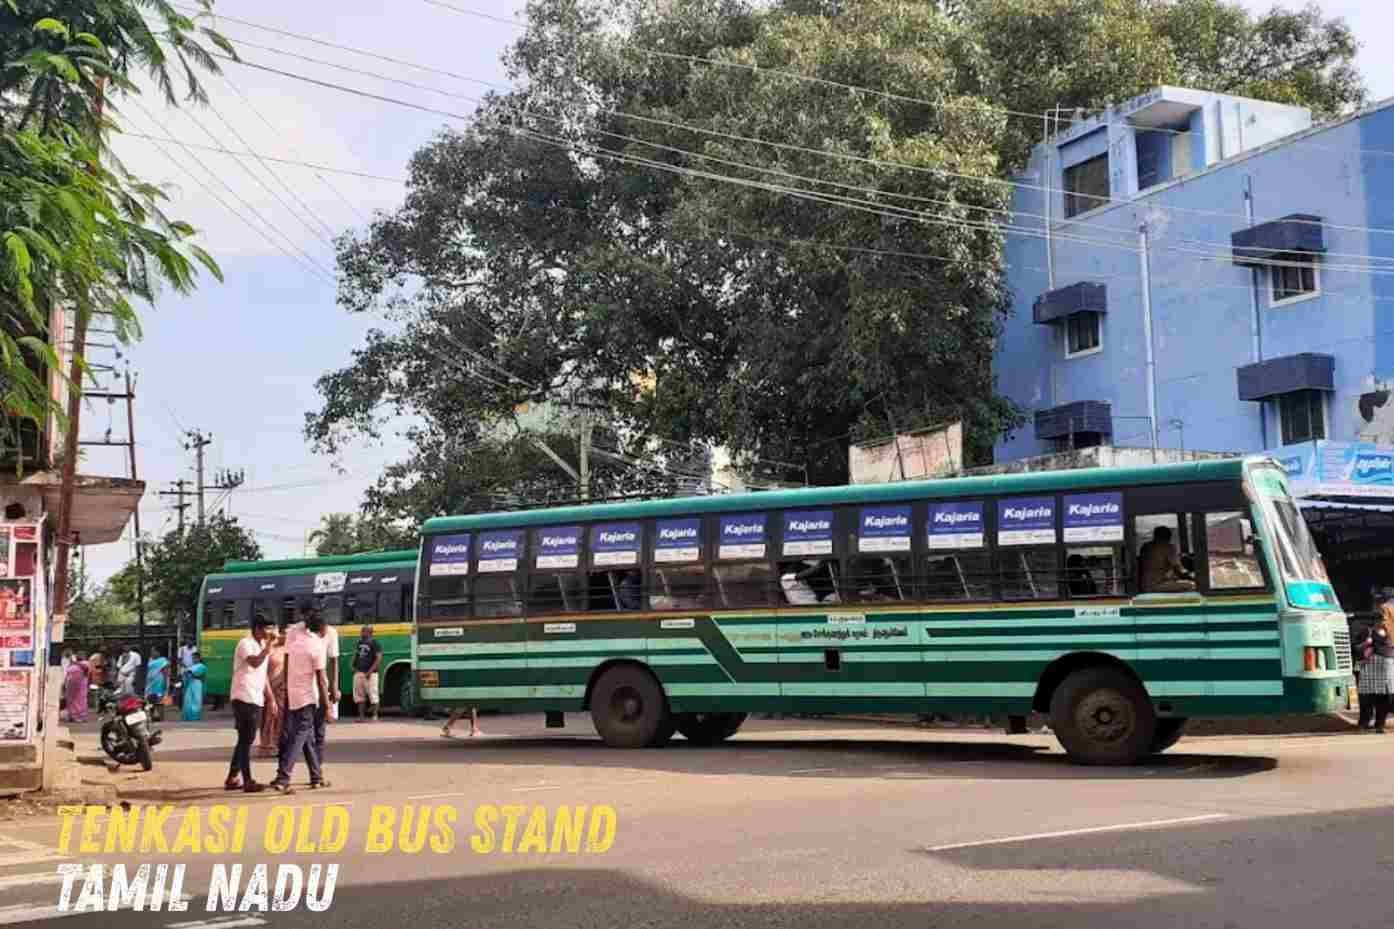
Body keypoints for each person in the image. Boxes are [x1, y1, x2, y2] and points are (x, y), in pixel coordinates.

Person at [271, 611, 330, 794]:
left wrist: (287, 691)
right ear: (320, 628)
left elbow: (287, 667)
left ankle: (316, 776)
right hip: (307, 697)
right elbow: (320, 680)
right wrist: (326, 705)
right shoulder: (316, 646)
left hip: (294, 695)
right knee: (299, 737)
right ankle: (283, 777)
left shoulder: (295, 643)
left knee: (308, 738)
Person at [227, 615, 273, 793]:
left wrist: (271, 698)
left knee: (246, 739)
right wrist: (267, 649)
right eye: (266, 629)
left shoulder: (262, 646)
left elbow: (263, 674)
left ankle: (232, 777)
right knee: (246, 739)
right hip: (243, 695)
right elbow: (254, 663)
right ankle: (247, 780)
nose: (269, 633)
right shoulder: (245, 643)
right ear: (257, 629)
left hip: (255, 697)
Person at [1357, 606, 1394, 733]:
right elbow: (1359, 648)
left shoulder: (1385, 631)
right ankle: (1371, 724)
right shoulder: (1371, 631)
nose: (1381, 619)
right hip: (1378, 665)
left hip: (1380, 665)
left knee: (1376, 697)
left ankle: (1373, 724)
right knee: (1374, 697)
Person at [257, 626, 288, 758]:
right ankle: (266, 746)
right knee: (267, 717)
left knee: (281, 719)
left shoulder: (289, 649)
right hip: (268, 688)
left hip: (283, 689)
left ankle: (278, 745)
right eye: (284, 634)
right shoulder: (269, 648)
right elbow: (261, 670)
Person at [1138, 526, 1195, 593]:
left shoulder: (1145, 546)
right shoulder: (1169, 547)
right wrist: (1193, 577)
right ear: (1168, 537)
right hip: (1156, 585)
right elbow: (1179, 570)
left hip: (1144, 585)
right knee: (1192, 585)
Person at [352, 625, 383, 721]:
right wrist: (353, 666)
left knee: (373, 695)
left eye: (363, 631)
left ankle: (374, 716)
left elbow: (378, 658)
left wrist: (370, 671)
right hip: (359, 672)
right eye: (361, 631)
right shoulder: (359, 643)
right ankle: (361, 717)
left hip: (371, 674)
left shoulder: (375, 643)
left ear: (369, 632)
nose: (361, 633)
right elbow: (356, 654)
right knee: (359, 696)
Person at [63, 652, 90, 724]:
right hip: (82, 686)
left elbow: (67, 677)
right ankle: (80, 716)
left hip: (73, 687)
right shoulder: (86, 664)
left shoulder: (73, 667)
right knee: (81, 701)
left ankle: (73, 716)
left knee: (73, 701)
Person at [145, 647, 171, 719]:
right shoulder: (150, 659)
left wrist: (165, 683)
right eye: (151, 651)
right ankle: (152, 716)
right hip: (150, 683)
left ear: (158, 652)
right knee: (150, 700)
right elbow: (148, 671)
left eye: (153, 651)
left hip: (159, 682)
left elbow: (165, 672)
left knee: (159, 700)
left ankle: (160, 717)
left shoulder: (163, 660)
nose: (152, 653)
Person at [181, 651, 207, 722]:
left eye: (195, 658)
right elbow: (186, 674)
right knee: (188, 699)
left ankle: (195, 716)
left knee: (196, 700)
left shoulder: (202, 666)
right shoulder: (192, 666)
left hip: (197, 684)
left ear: (199, 658)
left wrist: (188, 672)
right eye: (193, 658)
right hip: (190, 684)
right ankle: (188, 716)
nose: (194, 660)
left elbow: (197, 674)